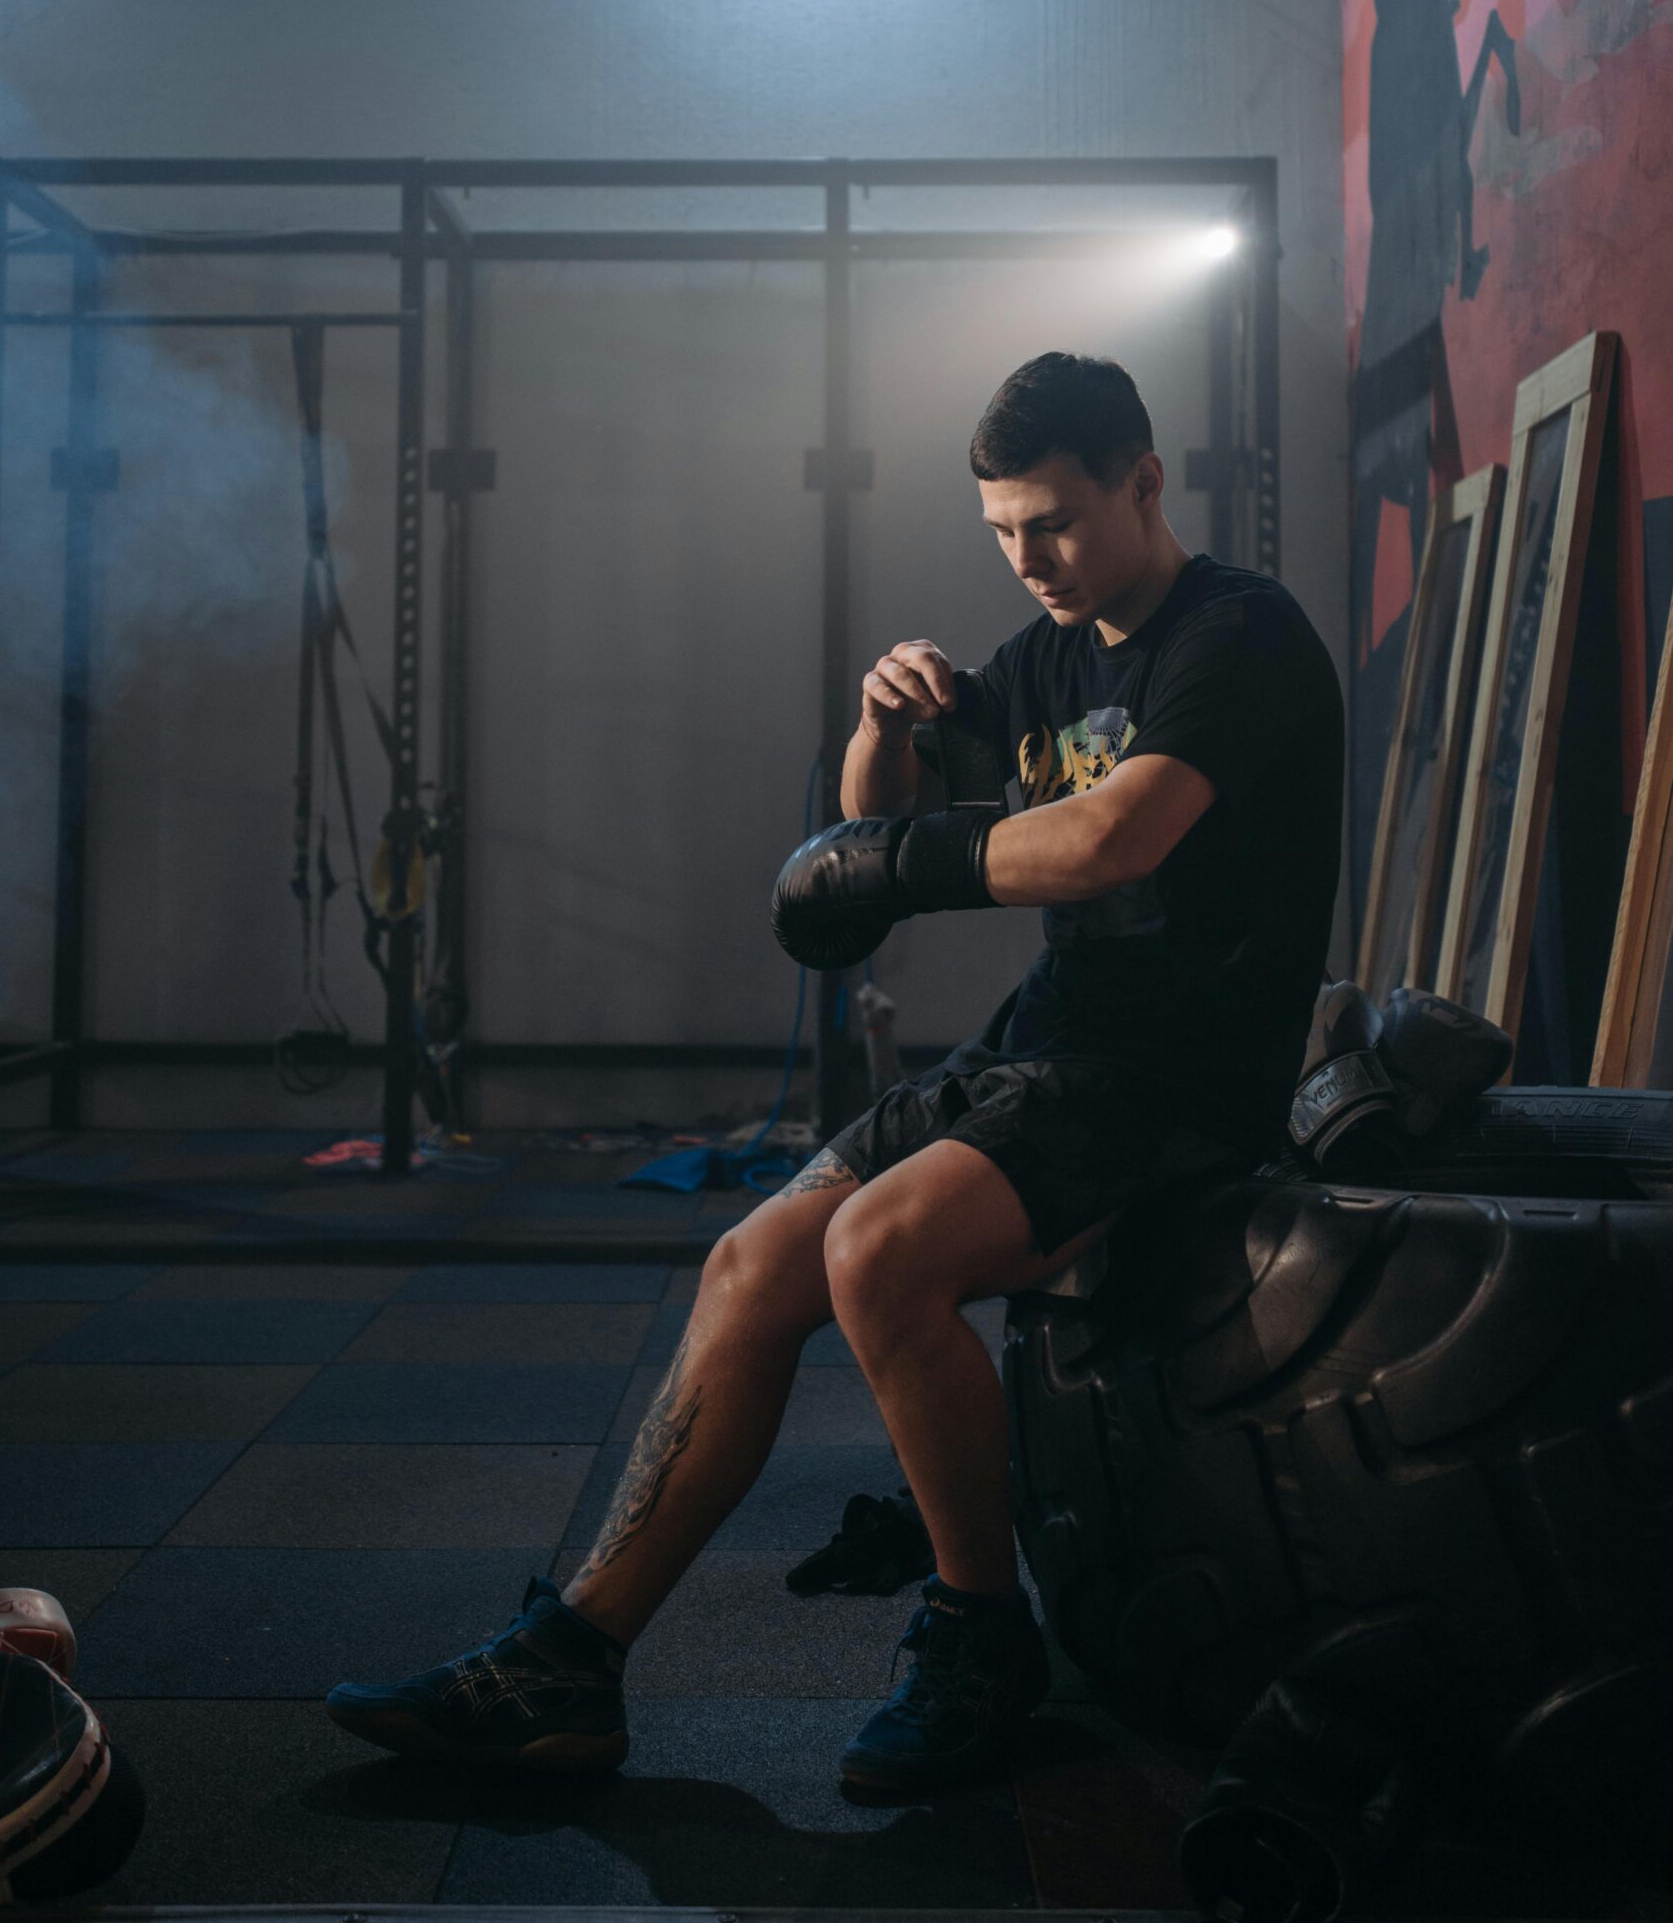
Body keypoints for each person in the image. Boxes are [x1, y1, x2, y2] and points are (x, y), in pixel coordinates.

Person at [325, 349, 1344, 1796]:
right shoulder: (1039, 657)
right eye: (999, 530)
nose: (1026, 557)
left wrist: (892, 853)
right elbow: (870, 846)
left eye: (1051, 520)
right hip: (1048, 1047)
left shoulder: (1238, 636)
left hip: (1183, 1074)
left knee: (877, 1254)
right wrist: (884, 730)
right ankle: (573, 1662)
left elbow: (1106, 840)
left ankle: (981, 1633)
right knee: (748, 1265)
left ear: (1144, 481)